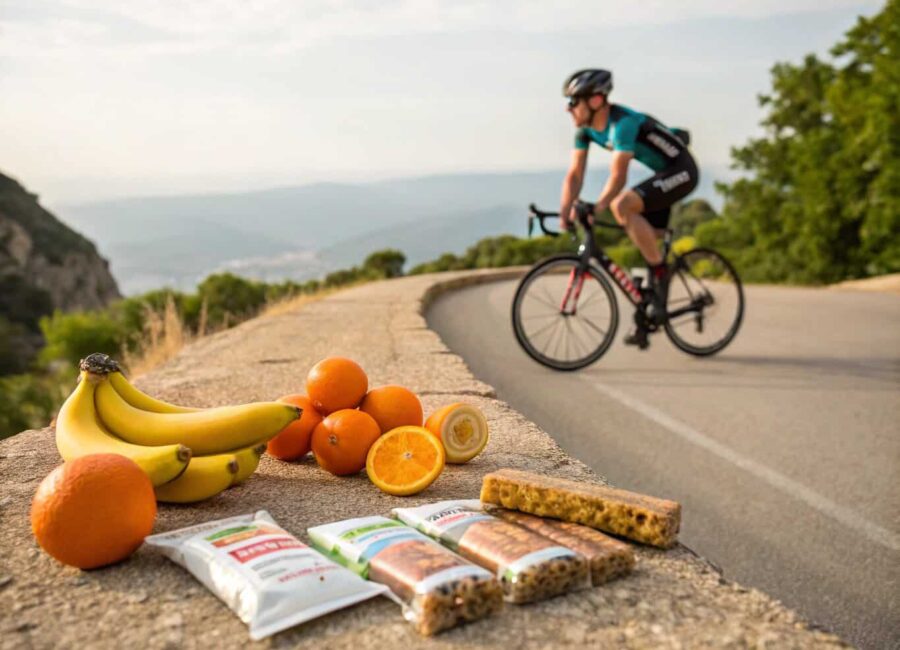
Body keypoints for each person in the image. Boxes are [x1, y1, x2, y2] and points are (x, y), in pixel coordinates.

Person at [559, 68, 698, 348]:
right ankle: (651, 304)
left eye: (574, 102)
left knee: (621, 205)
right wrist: (565, 210)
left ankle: (660, 272)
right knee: (641, 235)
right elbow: (575, 174)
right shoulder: (585, 131)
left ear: (595, 101)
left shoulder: (623, 124)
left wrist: (597, 207)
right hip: (661, 175)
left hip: (681, 171)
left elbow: (619, 175)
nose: (568, 109)